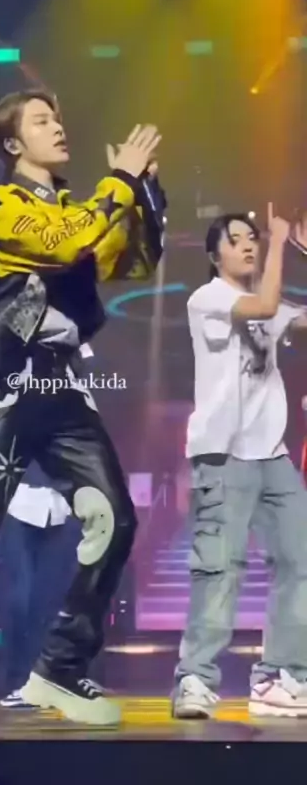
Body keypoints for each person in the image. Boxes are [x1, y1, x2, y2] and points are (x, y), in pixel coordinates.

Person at [0, 88, 165, 733]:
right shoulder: (1, 202)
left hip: (64, 385)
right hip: (12, 380)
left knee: (115, 517)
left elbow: (130, 259)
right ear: (12, 142)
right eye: (42, 120)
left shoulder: (78, 208)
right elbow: (61, 244)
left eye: (57, 116)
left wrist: (143, 193)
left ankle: (60, 665)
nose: (58, 127)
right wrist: (118, 181)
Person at [172, 208, 307, 720]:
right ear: (214, 255)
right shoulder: (207, 299)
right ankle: (195, 679)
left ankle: (280, 678)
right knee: (219, 569)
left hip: (273, 457)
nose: (249, 244)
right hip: (222, 455)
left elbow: (286, 311)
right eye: (236, 239)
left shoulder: (268, 306)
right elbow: (265, 303)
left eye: (254, 237)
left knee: (300, 562)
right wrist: (279, 240)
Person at [0, 461, 79, 708]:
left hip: (61, 508)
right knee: (20, 598)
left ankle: (41, 679)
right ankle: (15, 677)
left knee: (48, 601)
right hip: (19, 506)